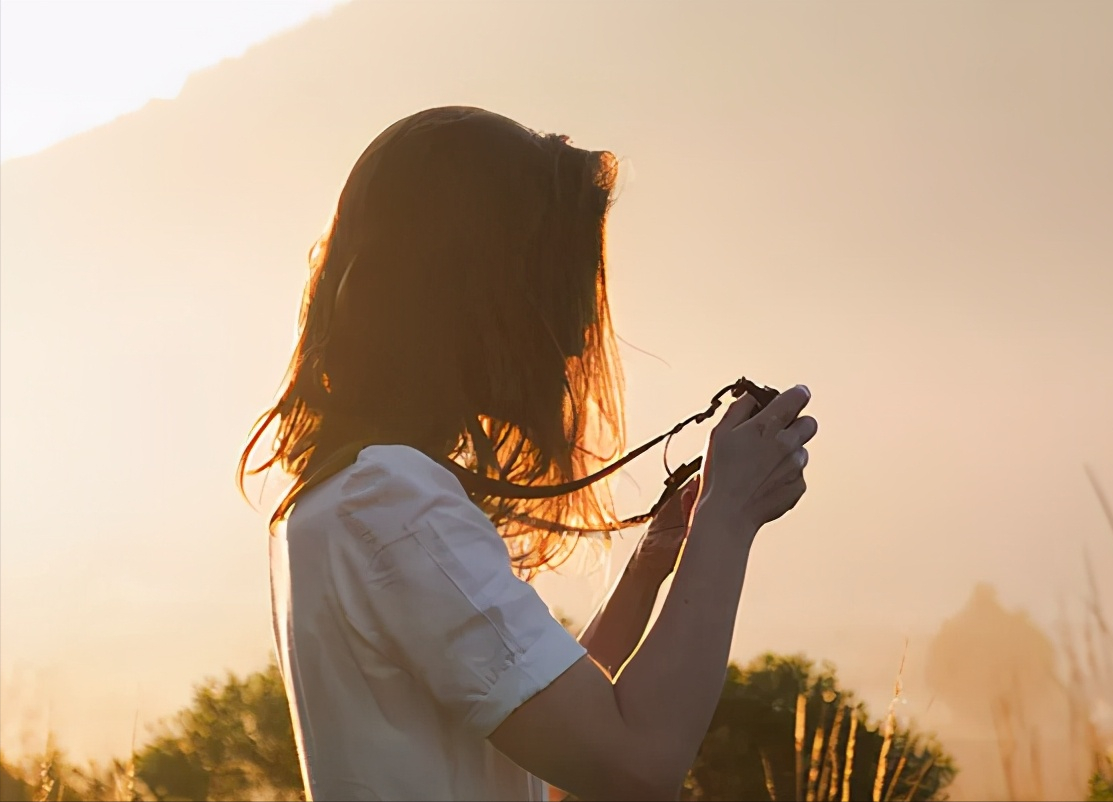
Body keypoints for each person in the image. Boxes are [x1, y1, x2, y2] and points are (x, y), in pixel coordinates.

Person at [237, 106, 817, 802]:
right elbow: (635, 764)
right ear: (477, 290)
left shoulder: (350, 491)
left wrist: (650, 569)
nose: (577, 334)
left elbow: (535, 714)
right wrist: (728, 521)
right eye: (556, 287)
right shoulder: (389, 502)